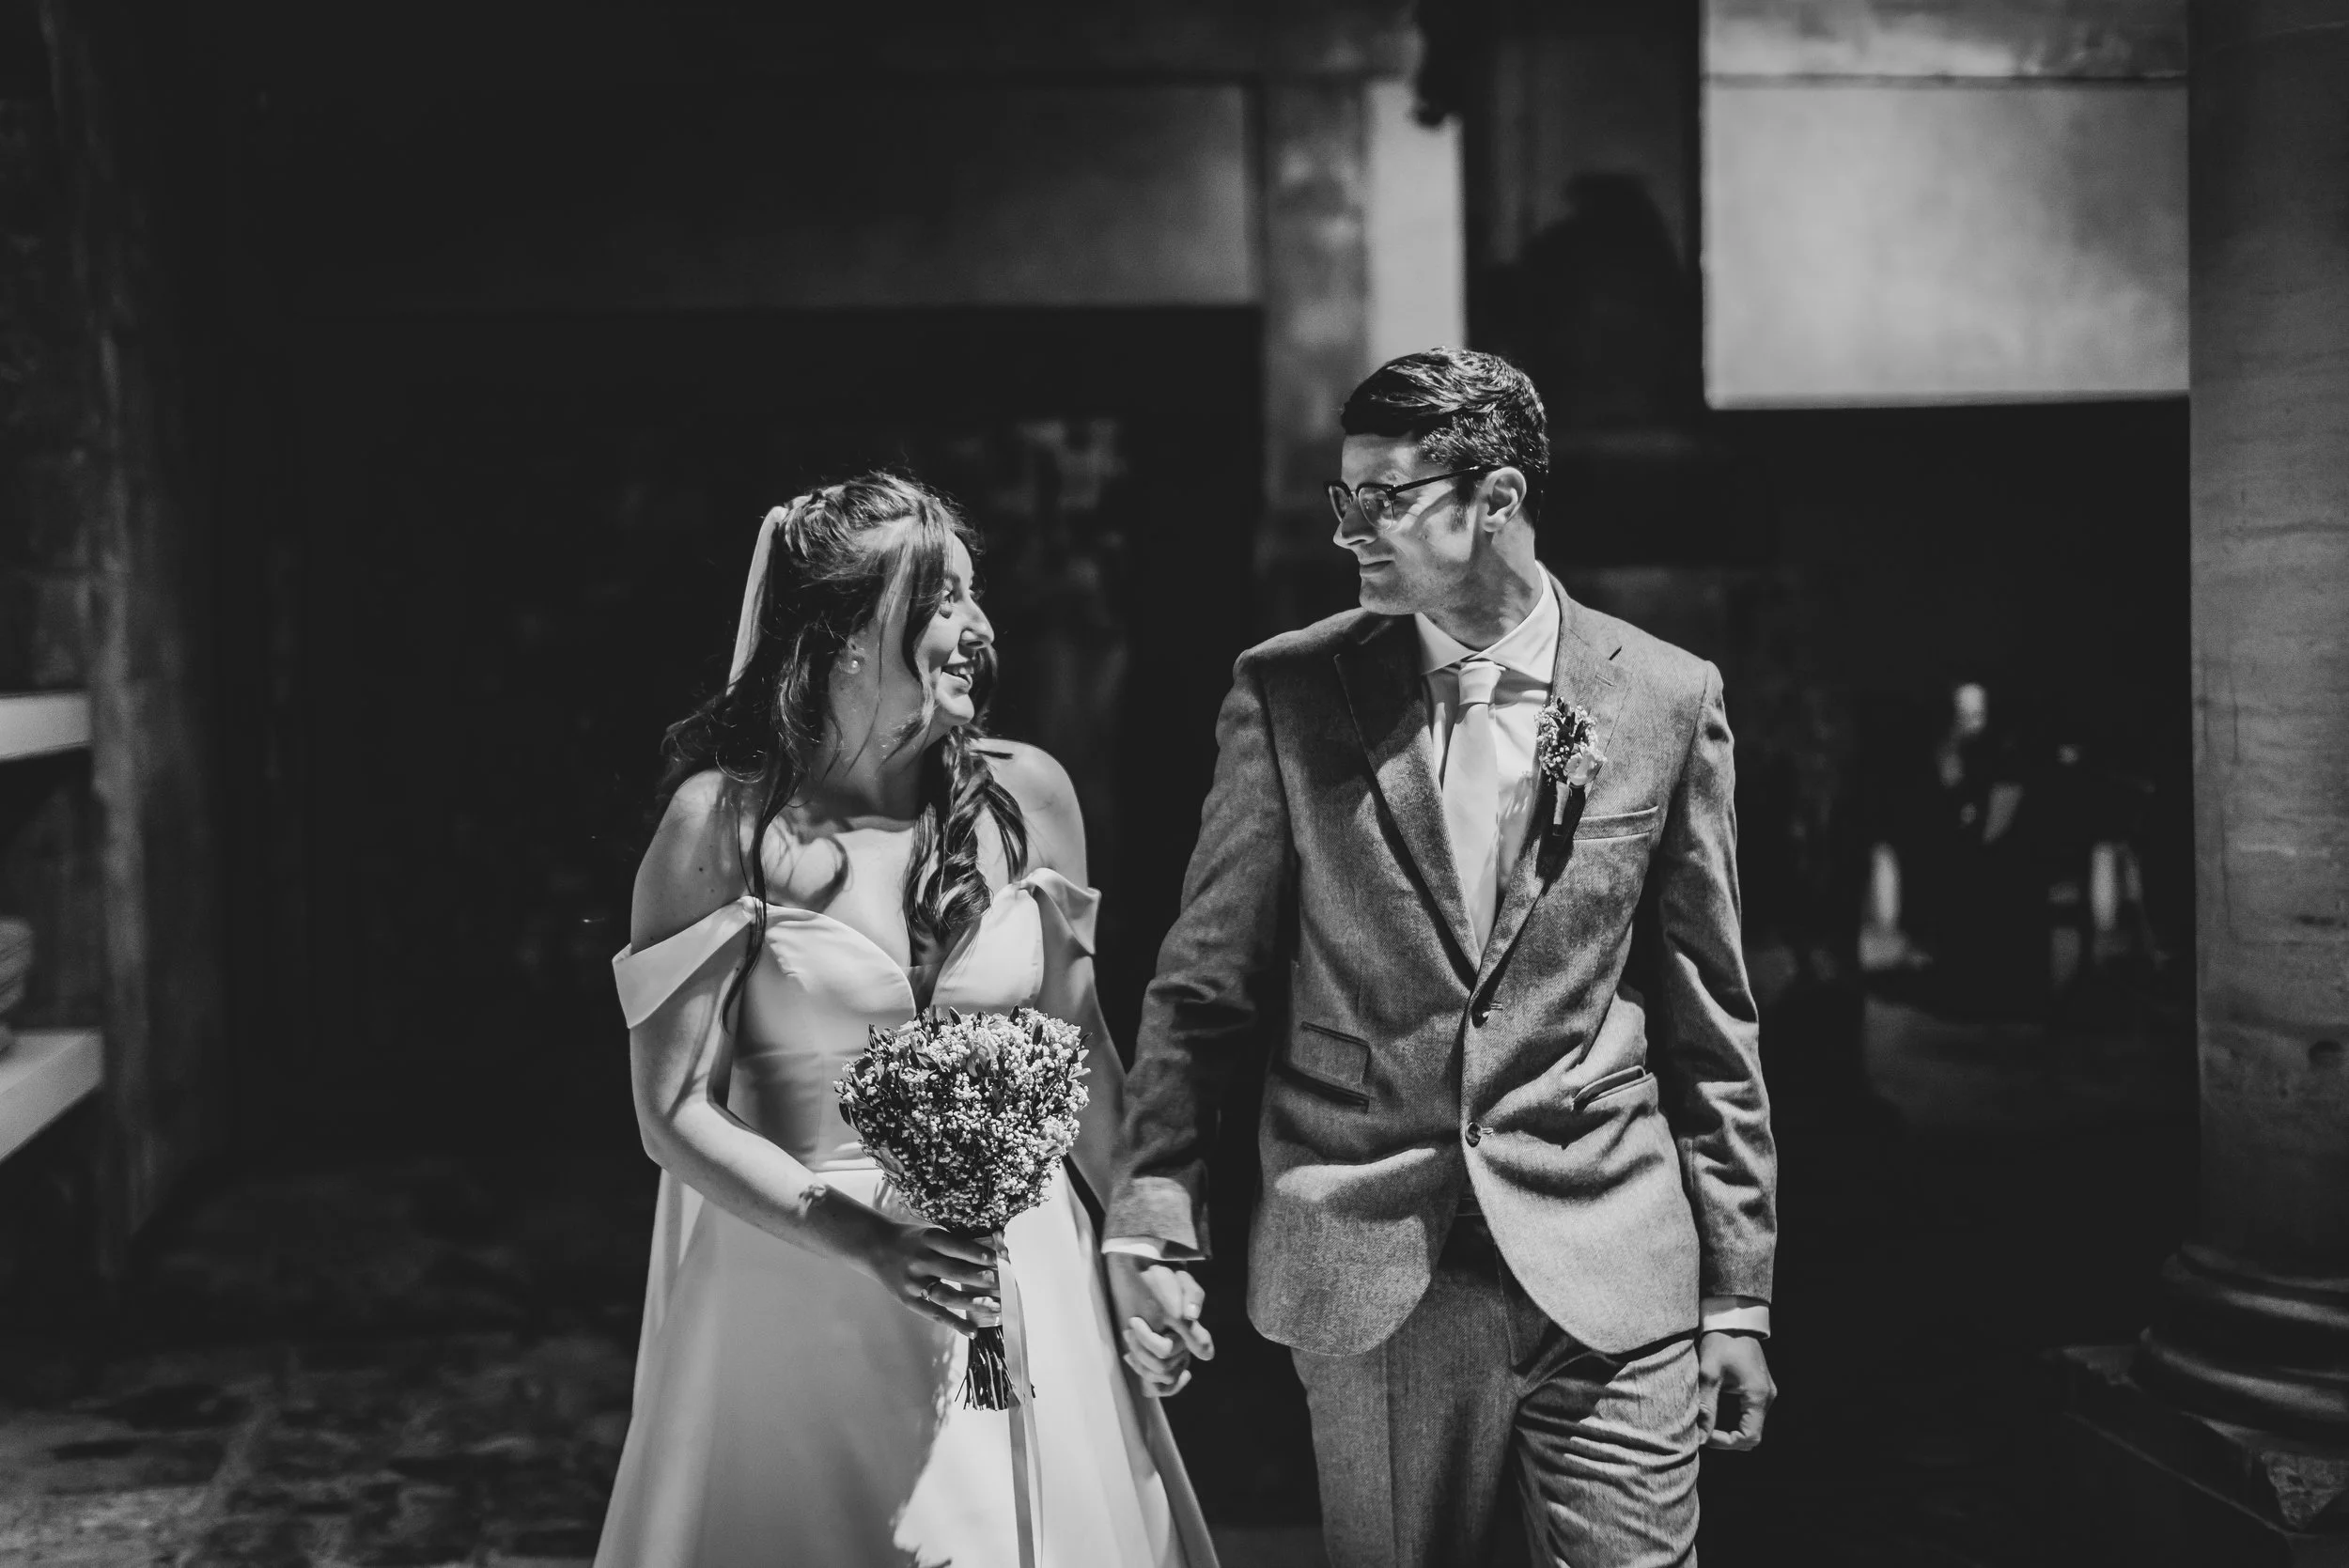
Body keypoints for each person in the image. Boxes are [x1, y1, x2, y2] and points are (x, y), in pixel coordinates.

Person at [1104, 349, 1778, 1567]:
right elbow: (1204, 984)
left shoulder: (1666, 698)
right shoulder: (1292, 692)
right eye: (1342, 497)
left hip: (1610, 1242)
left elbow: (1709, 1014)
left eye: (1388, 499)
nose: (1351, 531)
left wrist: (1738, 1291)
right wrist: (1156, 1204)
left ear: (1500, 500)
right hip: (1370, 1250)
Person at [595, 474, 1213, 1568]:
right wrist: (869, 1241)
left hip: (1020, 1275)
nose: (977, 630)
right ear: (834, 634)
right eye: (940, 600)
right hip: (800, 1291)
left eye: (975, 597)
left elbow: (1084, 1057)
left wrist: (1133, 1241)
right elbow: (671, 1111)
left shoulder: (1033, 799)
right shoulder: (723, 826)